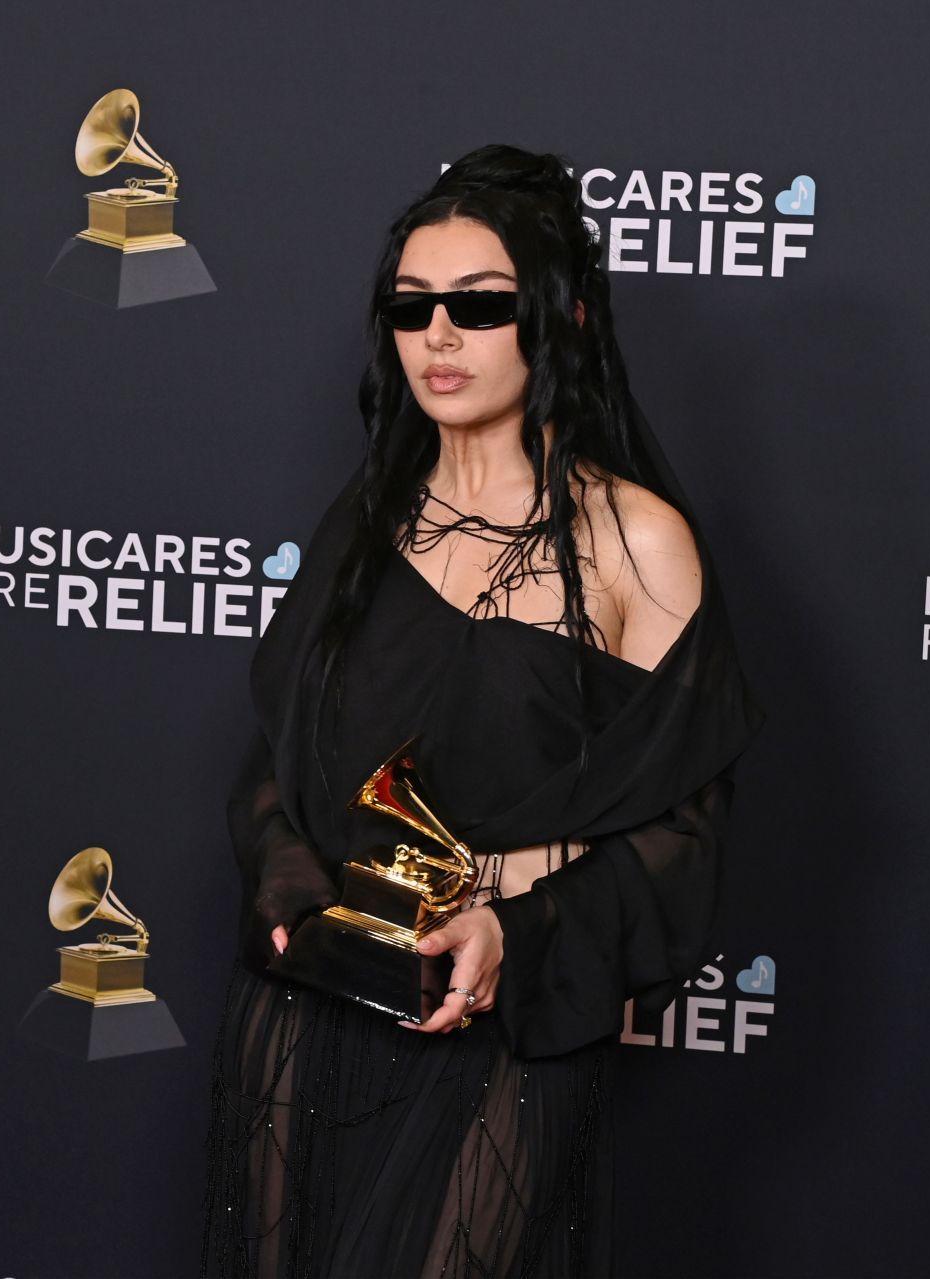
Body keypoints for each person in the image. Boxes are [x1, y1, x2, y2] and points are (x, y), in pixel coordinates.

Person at [200, 143, 761, 1278]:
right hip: (310, 1010)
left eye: (479, 304)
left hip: (506, 1022)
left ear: (561, 318)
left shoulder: (637, 541)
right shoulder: (366, 520)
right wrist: (287, 873)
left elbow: (680, 833)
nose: (439, 335)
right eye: (412, 308)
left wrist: (515, 930)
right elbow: (280, 760)